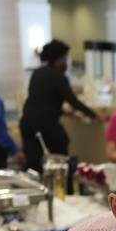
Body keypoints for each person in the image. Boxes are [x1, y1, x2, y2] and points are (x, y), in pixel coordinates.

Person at [20, 39, 101, 171]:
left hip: (27, 123)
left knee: (34, 165)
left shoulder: (37, 73)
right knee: (60, 162)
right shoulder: (58, 77)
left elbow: (42, 100)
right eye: (65, 58)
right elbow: (73, 101)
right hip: (45, 125)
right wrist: (95, 115)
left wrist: (64, 112)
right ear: (58, 59)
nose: (67, 62)